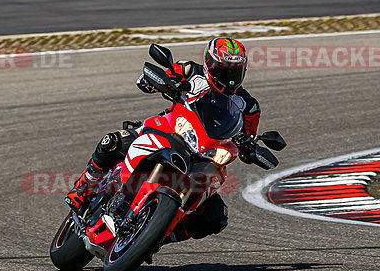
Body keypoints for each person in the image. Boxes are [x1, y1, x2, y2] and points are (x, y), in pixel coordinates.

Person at [64, 37, 261, 242]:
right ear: (209, 64)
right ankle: (83, 188)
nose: (229, 77)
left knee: (216, 216)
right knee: (113, 142)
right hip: (171, 127)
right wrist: (161, 83)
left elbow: (248, 135)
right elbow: (146, 80)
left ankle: (156, 236)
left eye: (234, 71)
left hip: (207, 152)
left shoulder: (248, 105)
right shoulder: (190, 71)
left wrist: (251, 148)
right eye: (223, 70)